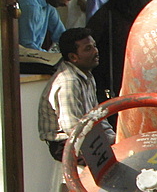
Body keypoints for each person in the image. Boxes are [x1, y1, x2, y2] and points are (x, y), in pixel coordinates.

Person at [37, 27, 116, 162]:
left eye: (94, 46)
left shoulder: (87, 76)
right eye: (88, 49)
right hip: (67, 144)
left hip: (87, 138)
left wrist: (115, 138)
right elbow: (73, 129)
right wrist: (108, 145)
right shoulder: (69, 81)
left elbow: (98, 117)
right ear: (73, 57)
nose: (96, 51)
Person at [88, 0, 153, 101]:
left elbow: (90, 40)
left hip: (111, 83)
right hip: (143, 80)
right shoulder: (149, 17)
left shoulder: (106, 15)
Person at [17, 0, 81, 51]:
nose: (66, 4)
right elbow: (27, 47)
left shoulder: (48, 4)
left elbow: (62, 37)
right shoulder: (30, 4)